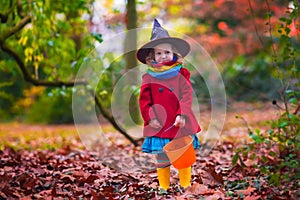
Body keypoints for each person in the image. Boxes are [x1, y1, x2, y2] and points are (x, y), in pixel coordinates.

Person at [136, 19, 201, 192]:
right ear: (152, 57)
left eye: (167, 52)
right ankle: (163, 186)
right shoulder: (149, 78)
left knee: (183, 155)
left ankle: (185, 184)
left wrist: (182, 114)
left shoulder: (181, 74)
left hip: (179, 121)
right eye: (158, 53)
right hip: (160, 123)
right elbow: (144, 101)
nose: (163, 56)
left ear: (174, 54)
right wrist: (150, 119)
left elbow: (186, 96)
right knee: (162, 156)